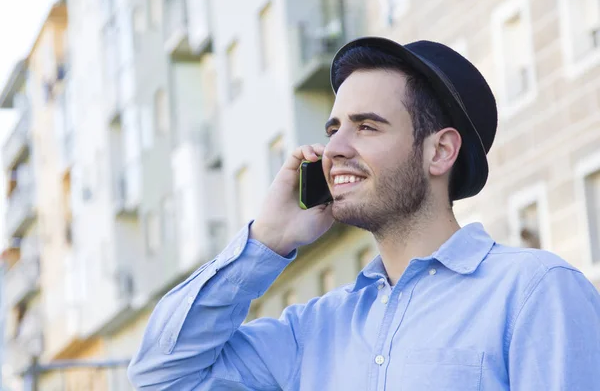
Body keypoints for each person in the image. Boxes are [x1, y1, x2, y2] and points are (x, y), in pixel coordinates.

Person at [127, 37, 600, 390]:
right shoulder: (313, 329)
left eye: (366, 127)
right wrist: (266, 241)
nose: (333, 149)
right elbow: (160, 376)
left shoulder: (534, 292)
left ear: (439, 153)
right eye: (333, 129)